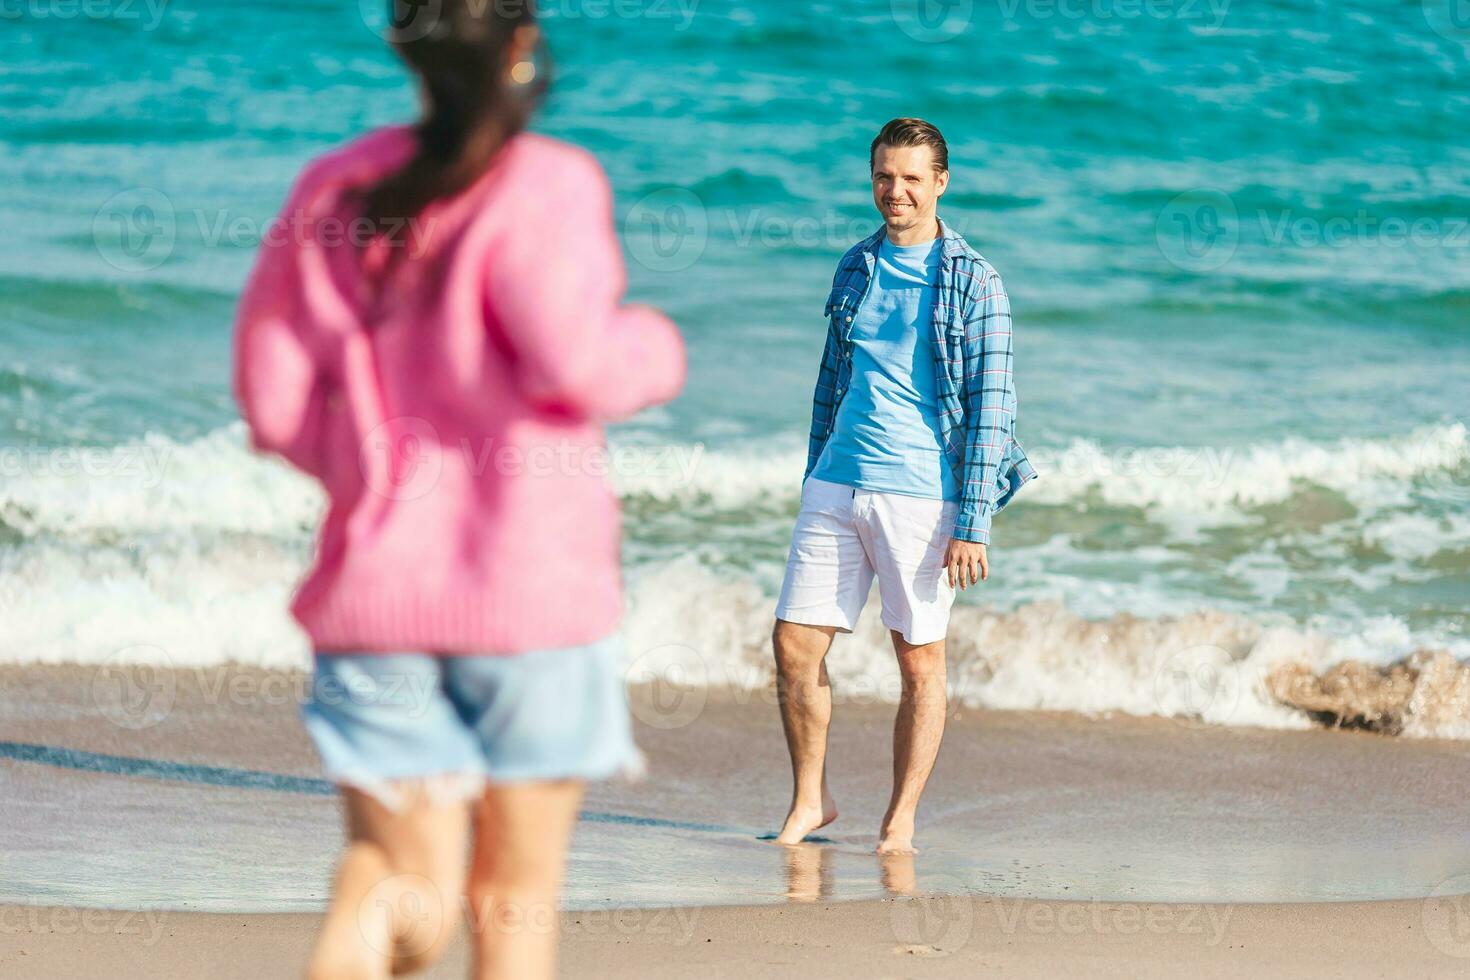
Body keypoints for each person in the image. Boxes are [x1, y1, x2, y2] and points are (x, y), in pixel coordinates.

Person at [232, 3, 685, 978]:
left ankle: (371, 891)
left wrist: (365, 464)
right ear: (520, 45)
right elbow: (577, 361)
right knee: (514, 904)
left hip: (374, 600)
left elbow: (271, 404)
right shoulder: (551, 183)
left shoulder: (335, 188)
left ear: (410, 49)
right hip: (534, 605)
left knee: (409, 892)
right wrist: (656, 347)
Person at [772, 118, 1036, 854]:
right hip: (836, 481)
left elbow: (992, 404)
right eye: (886, 176)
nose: (898, 191)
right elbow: (832, 377)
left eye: (913, 178)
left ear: (941, 182)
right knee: (793, 644)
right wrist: (813, 470)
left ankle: (899, 819)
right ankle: (809, 801)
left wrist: (974, 519)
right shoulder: (855, 266)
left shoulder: (975, 280)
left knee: (917, 660)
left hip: (923, 494)